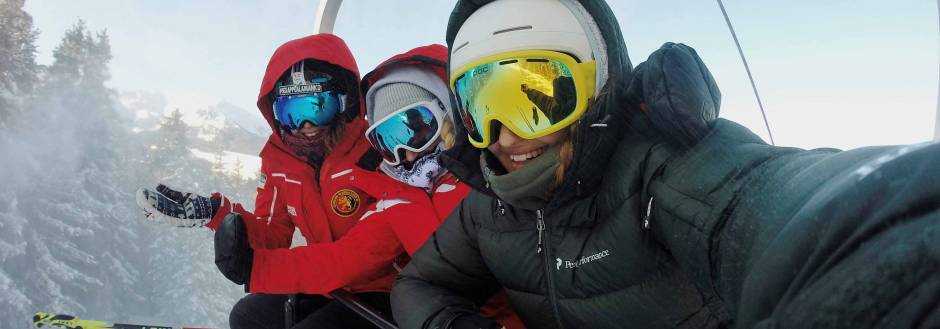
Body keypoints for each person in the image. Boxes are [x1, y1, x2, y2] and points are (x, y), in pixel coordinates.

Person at [391, 1, 940, 329]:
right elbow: (418, 285)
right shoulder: (492, 205)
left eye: (537, 98)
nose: (506, 137)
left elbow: (788, 207)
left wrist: (900, 246)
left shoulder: (660, 169)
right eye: (484, 106)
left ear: (598, 89)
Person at [137, 34, 392, 329]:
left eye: (317, 107)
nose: (305, 126)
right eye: (292, 113)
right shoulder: (282, 161)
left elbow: (365, 255)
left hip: (387, 290)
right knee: (247, 316)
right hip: (331, 287)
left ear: (343, 102)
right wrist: (216, 213)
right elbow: (273, 235)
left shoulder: (375, 147)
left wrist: (262, 269)